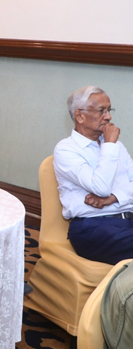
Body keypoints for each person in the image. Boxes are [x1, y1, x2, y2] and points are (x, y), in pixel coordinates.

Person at [54, 85, 133, 265]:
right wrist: (109, 145)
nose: (109, 117)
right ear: (80, 116)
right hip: (92, 227)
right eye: (101, 111)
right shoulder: (66, 149)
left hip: (127, 220)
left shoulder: (116, 146)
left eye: (109, 110)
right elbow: (101, 187)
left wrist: (113, 198)